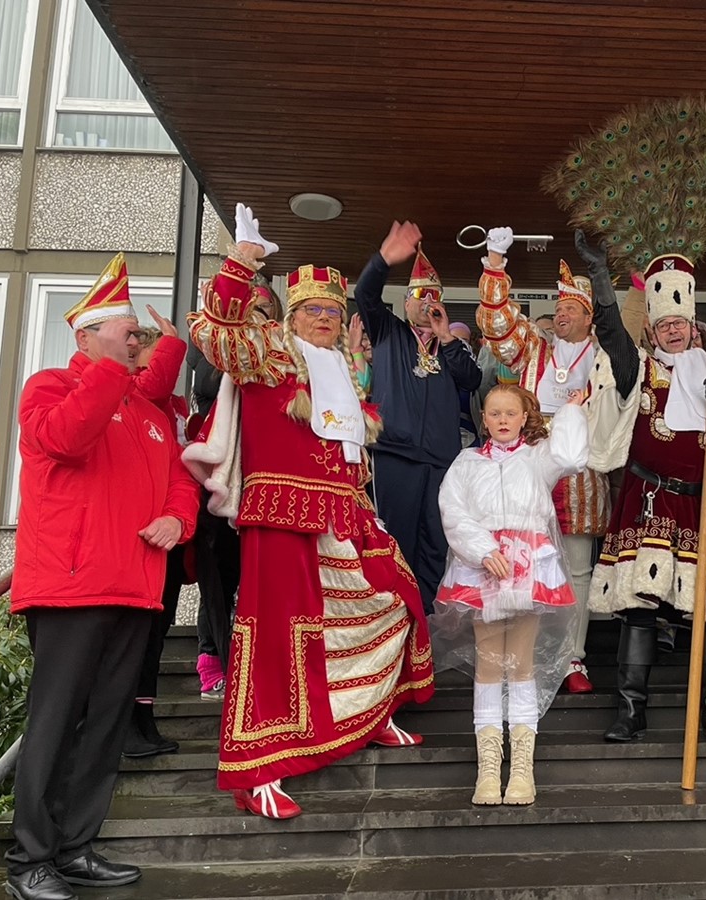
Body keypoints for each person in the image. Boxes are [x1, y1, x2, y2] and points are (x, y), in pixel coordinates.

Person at [185, 205, 435, 820]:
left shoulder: (347, 363)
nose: (324, 319)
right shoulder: (270, 350)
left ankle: (367, 715)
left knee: (393, 598)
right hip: (283, 516)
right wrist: (242, 261)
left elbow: (347, 442)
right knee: (276, 639)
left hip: (346, 513)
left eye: (331, 310)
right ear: (293, 316)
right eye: (313, 311)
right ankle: (257, 769)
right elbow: (214, 333)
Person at [5, 253, 200, 900]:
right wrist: (112, 370)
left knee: (107, 727)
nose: (134, 338)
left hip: (136, 587)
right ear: (84, 335)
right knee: (56, 723)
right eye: (122, 329)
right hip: (70, 586)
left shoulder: (146, 414)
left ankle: (75, 848)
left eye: (136, 331)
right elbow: (66, 440)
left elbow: (179, 481)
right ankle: (29, 860)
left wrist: (178, 520)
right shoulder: (52, 388)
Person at [580, 233, 706, 745]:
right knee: (640, 608)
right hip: (647, 504)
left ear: (693, 327)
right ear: (651, 327)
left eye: (680, 323)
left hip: (700, 506)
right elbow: (611, 337)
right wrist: (602, 281)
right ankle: (630, 709)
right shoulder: (638, 368)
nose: (673, 330)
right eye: (664, 324)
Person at [432, 385, 589, 806]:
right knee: (488, 662)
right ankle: (488, 767)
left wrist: (571, 412)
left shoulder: (537, 458)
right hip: (483, 566)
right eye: (494, 413)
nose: (502, 420)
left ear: (524, 418)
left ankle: (521, 768)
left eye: (510, 414)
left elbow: (573, 457)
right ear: (483, 419)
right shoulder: (466, 462)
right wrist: (483, 550)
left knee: (519, 663)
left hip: (528, 565)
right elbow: (453, 509)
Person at [476, 228, 611, 693]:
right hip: (528, 463)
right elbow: (496, 324)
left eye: (572, 308)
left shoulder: (605, 355)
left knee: (576, 568)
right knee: (519, 562)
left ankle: (573, 658)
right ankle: (521, 658)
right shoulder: (535, 346)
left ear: (590, 316)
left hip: (580, 468)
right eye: (560, 307)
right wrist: (495, 263)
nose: (562, 313)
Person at [353, 234, 483, 613]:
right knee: (395, 543)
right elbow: (365, 295)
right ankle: (390, 624)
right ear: (407, 301)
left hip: (441, 460)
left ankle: (422, 627)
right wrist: (383, 259)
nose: (427, 304)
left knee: (434, 547)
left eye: (433, 298)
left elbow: (472, 381)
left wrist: (446, 337)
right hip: (395, 455)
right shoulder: (389, 332)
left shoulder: (449, 345)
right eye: (420, 297)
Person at [185, 275, 279, 700]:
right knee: (220, 573)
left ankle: (255, 662)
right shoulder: (217, 352)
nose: (256, 323)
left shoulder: (279, 359)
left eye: (264, 314)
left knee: (258, 575)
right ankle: (212, 660)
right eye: (249, 313)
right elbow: (207, 380)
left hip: (265, 480)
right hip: (223, 480)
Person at [123, 318, 194, 758]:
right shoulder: (134, 396)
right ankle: (127, 723)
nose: (157, 376)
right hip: (137, 538)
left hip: (169, 536)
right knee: (137, 635)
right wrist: (171, 344)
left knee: (156, 633)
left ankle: (143, 719)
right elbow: (152, 385)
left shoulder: (175, 408)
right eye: (147, 367)